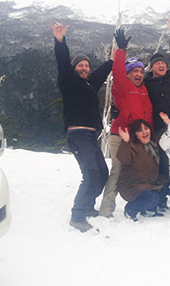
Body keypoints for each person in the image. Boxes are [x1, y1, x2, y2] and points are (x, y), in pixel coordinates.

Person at [51, 22, 113, 232]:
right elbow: (62, 62)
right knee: (91, 173)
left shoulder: (89, 85)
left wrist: (116, 57)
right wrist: (60, 41)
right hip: (78, 135)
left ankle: (87, 206)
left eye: (86, 65)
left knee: (102, 173)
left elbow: (102, 72)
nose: (84, 68)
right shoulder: (68, 81)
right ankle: (77, 216)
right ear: (74, 68)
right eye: (80, 65)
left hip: (90, 136)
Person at [99, 28, 153, 218]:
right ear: (128, 74)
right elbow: (118, 72)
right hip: (120, 136)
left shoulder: (144, 91)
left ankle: (142, 203)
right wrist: (121, 51)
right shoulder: (123, 87)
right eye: (134, 71)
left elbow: (148, 117)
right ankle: (106, 210)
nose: (139, 74)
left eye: (141, 71)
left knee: (141, 170)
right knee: (117, 170)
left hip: (138, 137)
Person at [116, 119, 169, 221]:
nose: (144, 132)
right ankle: (130, 209)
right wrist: (125, 142)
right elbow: (123, 158)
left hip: (149, 184)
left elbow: (169, 141)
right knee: (152, 198)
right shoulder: (133, 147)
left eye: (146, 128)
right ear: (135, 134)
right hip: (133, 187)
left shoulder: (154, 144)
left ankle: (149, 210)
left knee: (167, 186)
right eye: (140, 130)